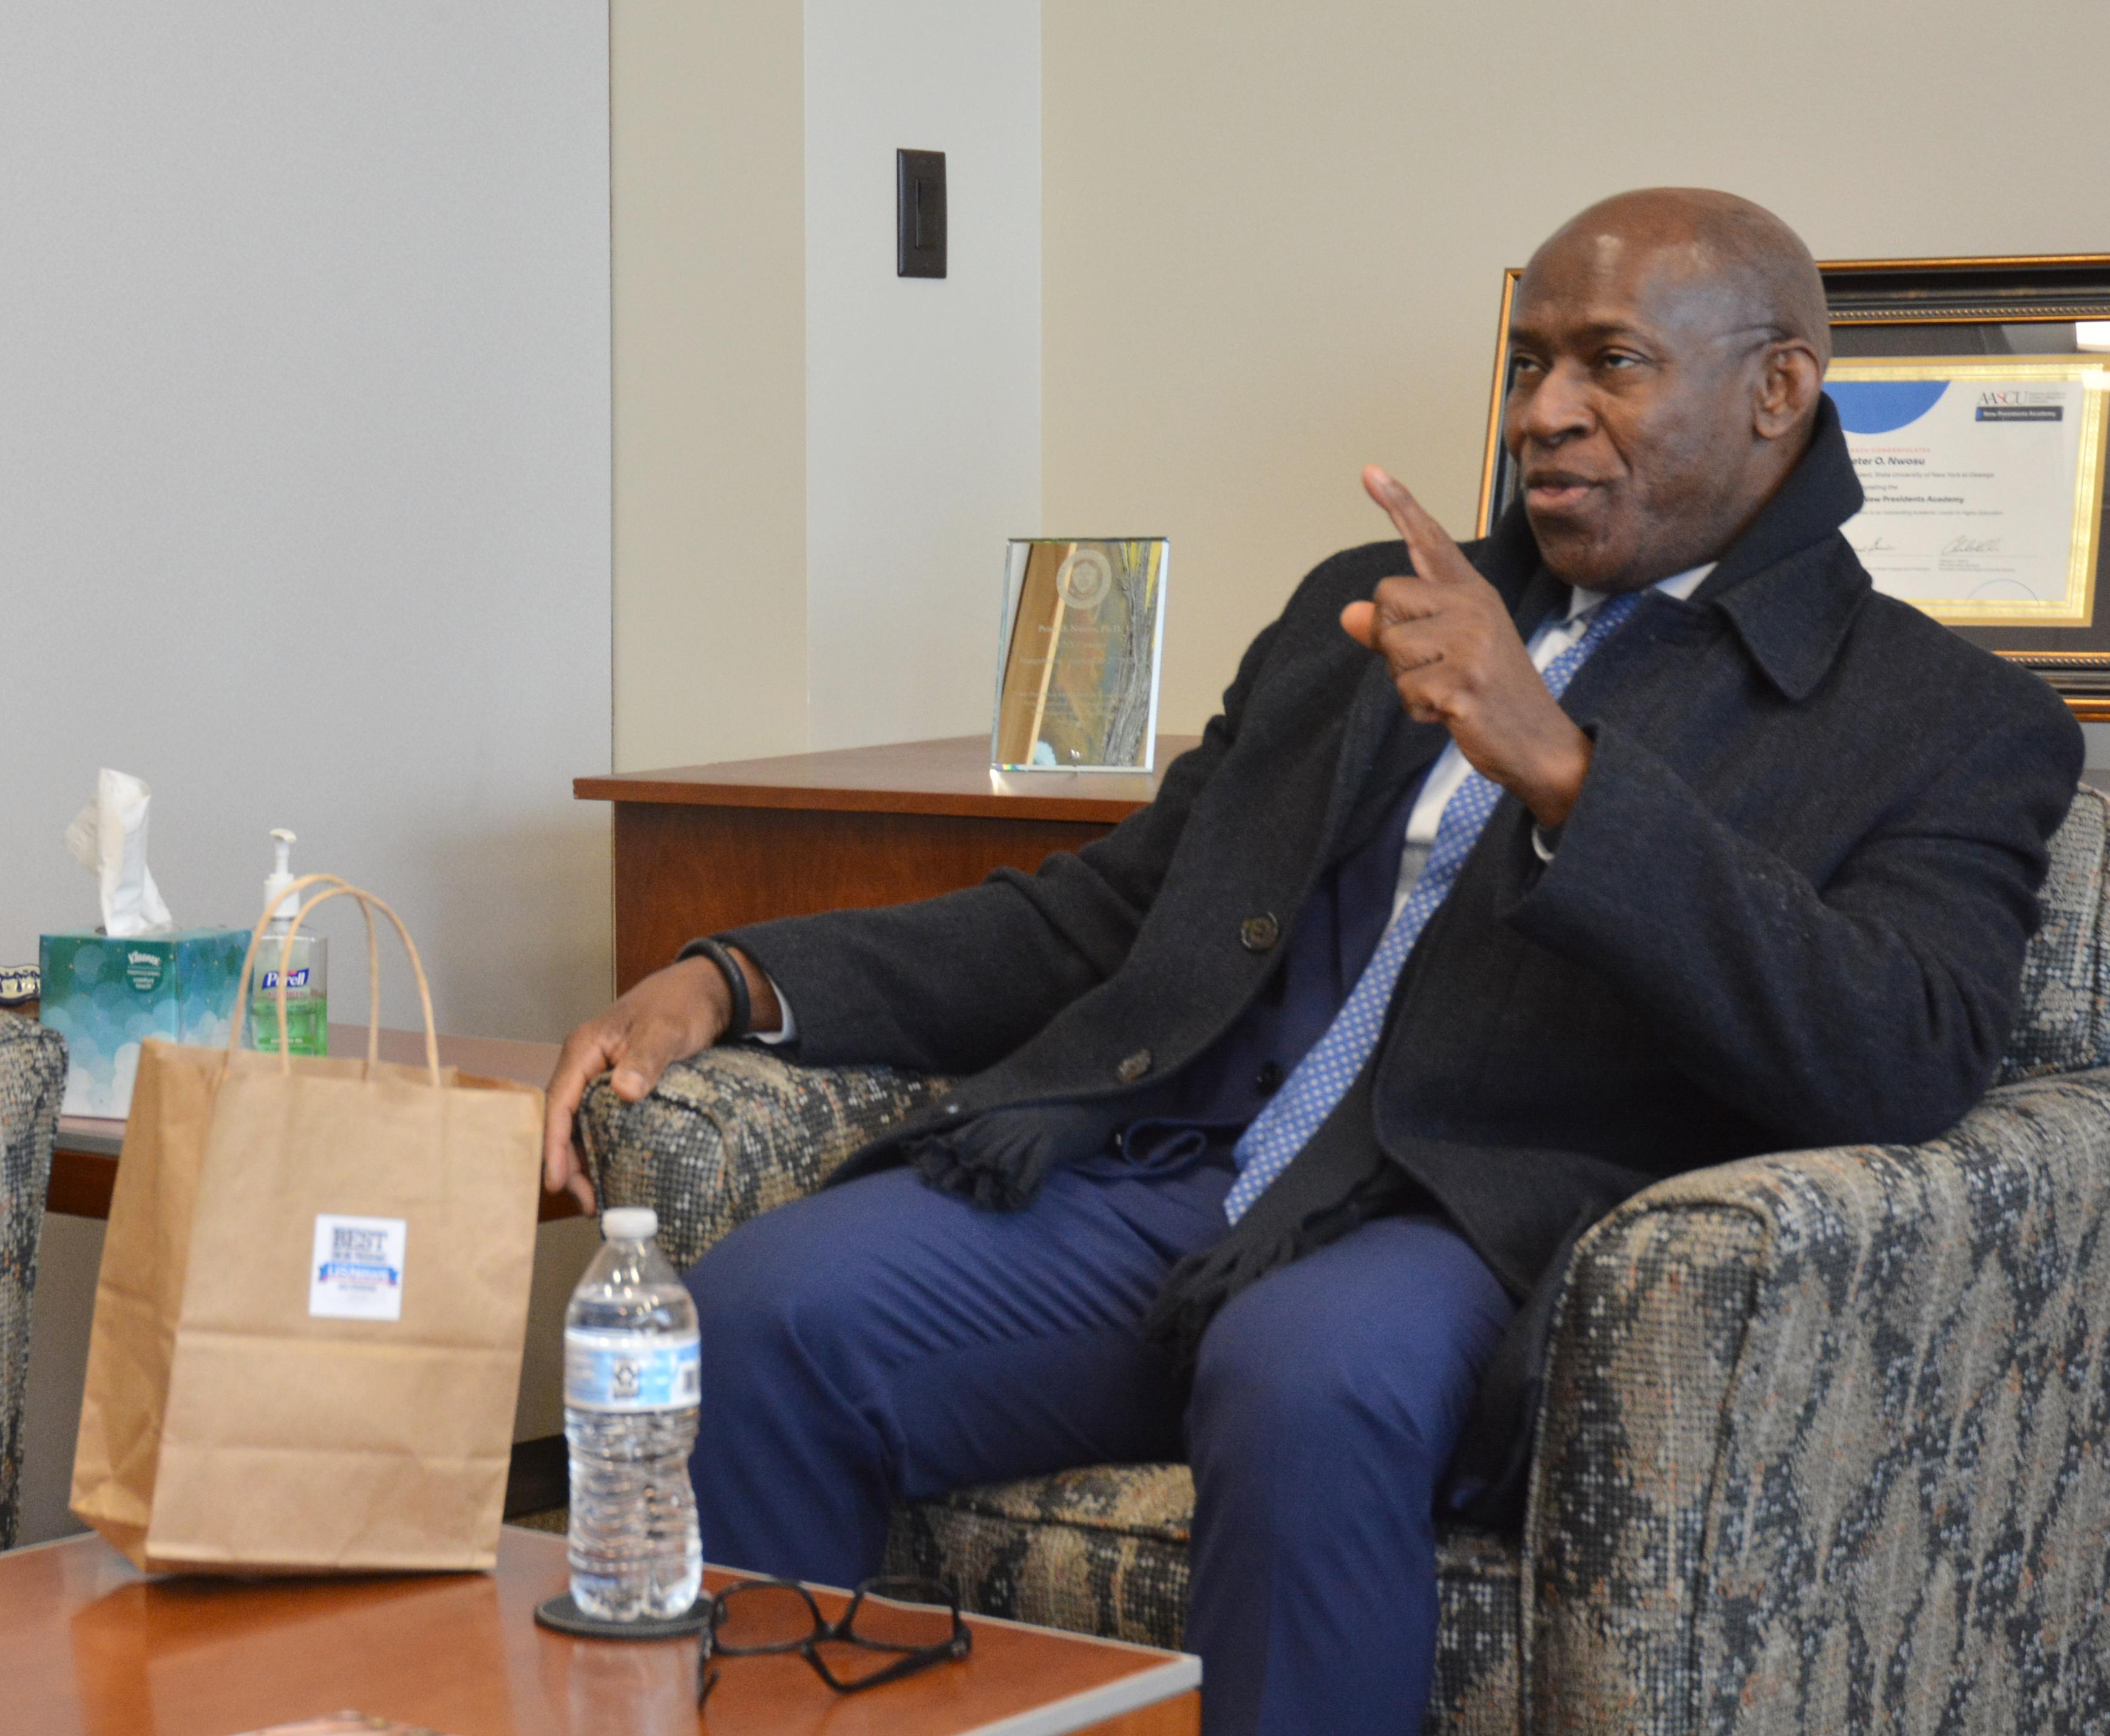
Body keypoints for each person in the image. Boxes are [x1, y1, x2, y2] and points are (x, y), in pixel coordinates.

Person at [541, 189, 2085, 1736]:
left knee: (1305, 1373)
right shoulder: (1370, 608)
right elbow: (1108, 912)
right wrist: (737, 976)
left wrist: (1569, 772)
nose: (1544, 413)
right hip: (1174, 1166)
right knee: (761, 1312)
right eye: (1530, 364)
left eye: (1610, 363)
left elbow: (1908, 1047)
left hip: (1467, 1219)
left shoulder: (1942, 717)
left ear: (1778, 391)